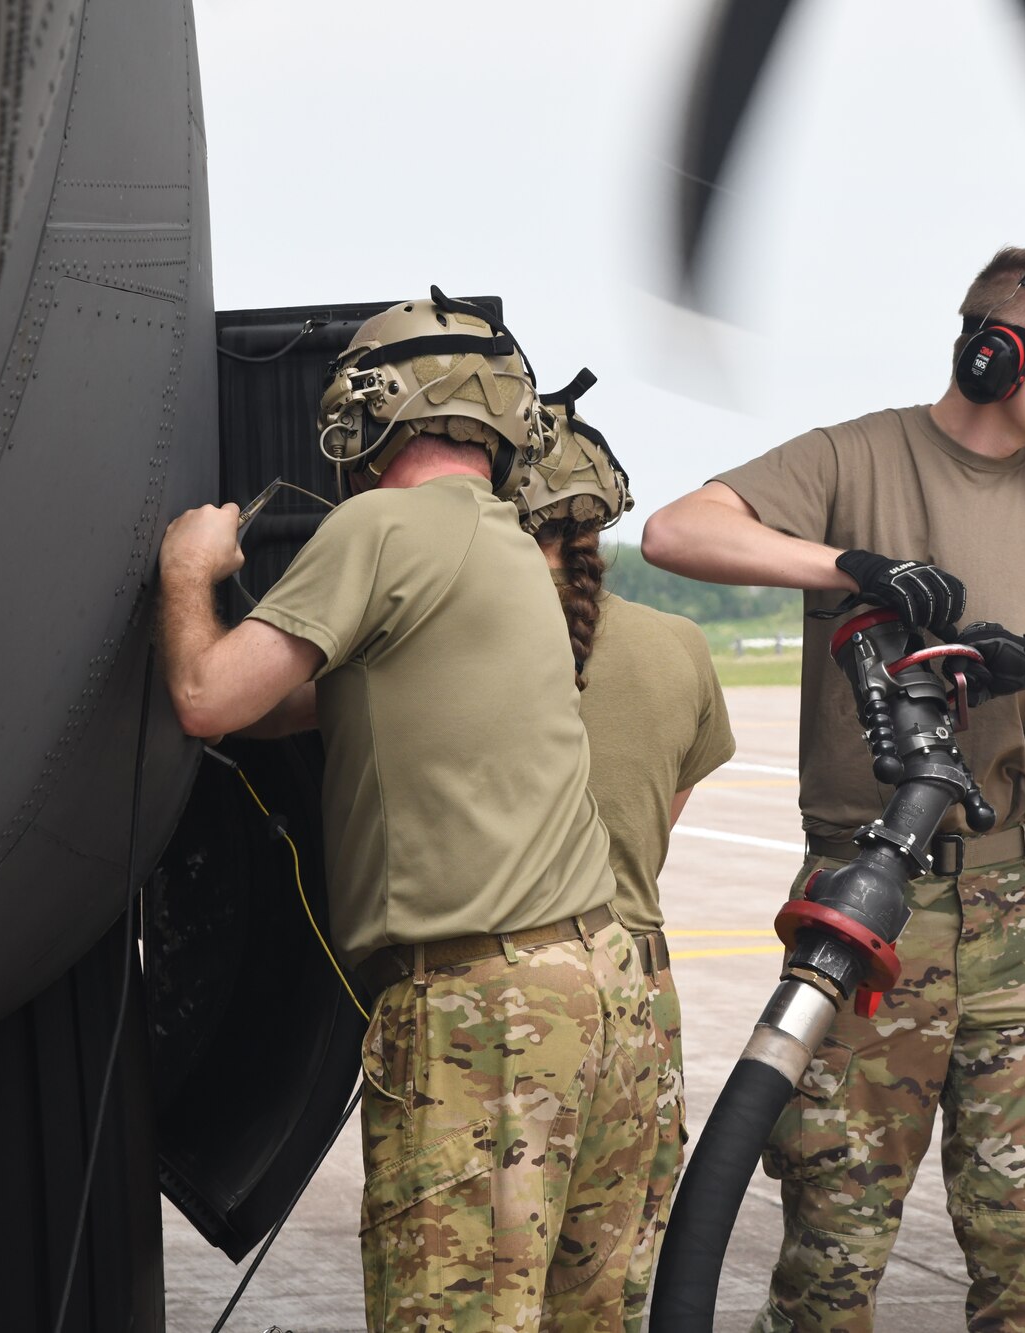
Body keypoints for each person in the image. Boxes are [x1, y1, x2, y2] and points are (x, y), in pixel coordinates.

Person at [639, 247, 1025, 1332]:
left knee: (1023, 1242)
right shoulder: (857, 455)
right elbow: (679, 532)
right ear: (995, 355)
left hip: (1014, 913)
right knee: (832, 1246)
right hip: (866, 900)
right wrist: (851, 567)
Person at [157, 292, 653, 1332]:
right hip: (600, 991)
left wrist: (188, 572)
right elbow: (298, 704)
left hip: (481, 1012)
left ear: (371, 411)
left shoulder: (381, 525)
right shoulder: (508, 545)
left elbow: (206, 698)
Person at [516, 374, 737, 1332]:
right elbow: (661, 818)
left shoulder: (439, 640)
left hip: (507, 1005)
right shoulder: (681, 647)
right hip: (640, 999)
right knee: (604, 1298)